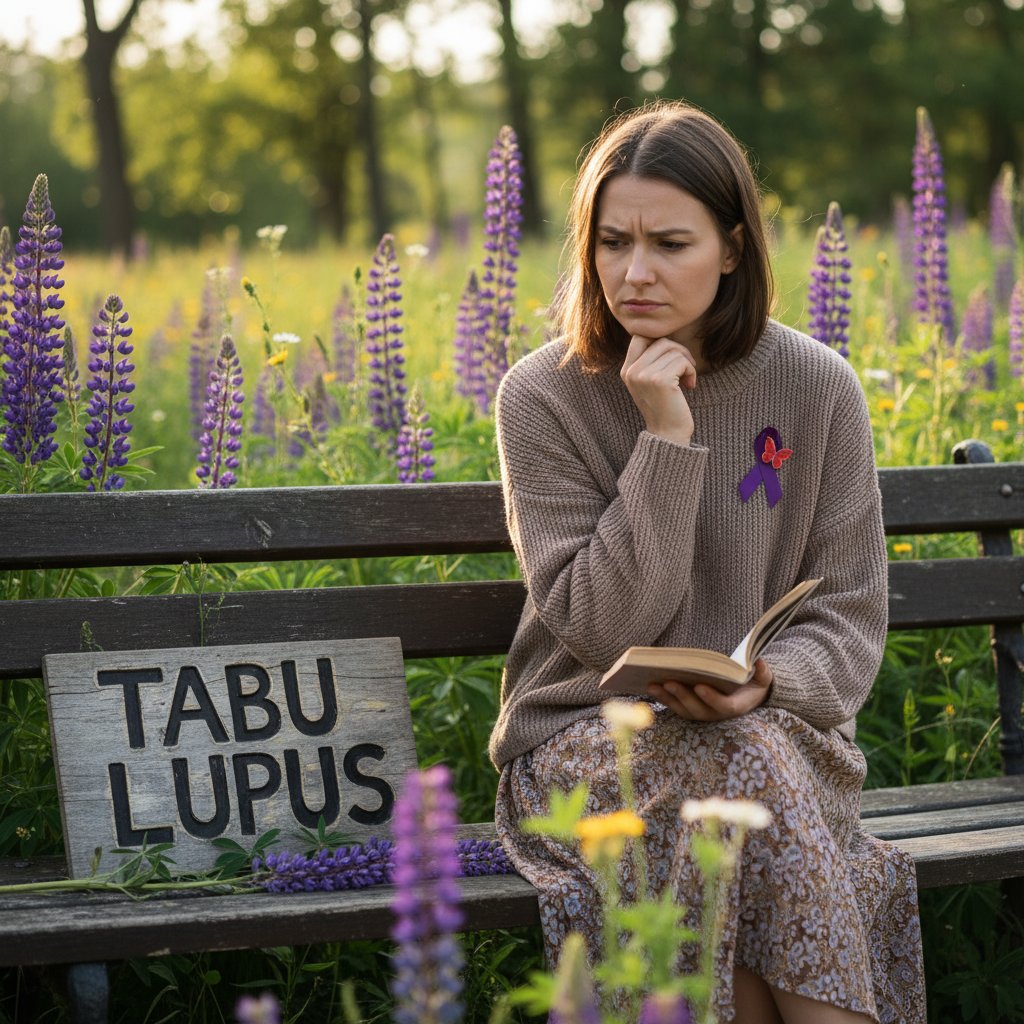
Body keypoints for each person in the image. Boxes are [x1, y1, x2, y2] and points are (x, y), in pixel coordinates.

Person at [488, 100, 926, 1024]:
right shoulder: (543, 394)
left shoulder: (815, 384)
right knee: (745, 781)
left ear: (733, 248)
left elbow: (848, 610)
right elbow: (604, 627)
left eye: (669, 243)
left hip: (771, 729)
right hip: (584, 746)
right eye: (612, 243)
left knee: (745, 758)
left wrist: (765, 681)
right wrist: (667, 439)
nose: (633, 273)